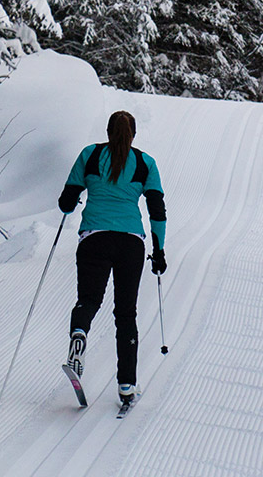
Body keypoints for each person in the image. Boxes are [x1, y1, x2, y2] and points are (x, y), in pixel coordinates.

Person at [58, 110, 167, 409]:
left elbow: (66, 202)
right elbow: (157, 211)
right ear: (134, 135)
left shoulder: (90, 155)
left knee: (88, 300)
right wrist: (158, 251)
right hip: (131, 242)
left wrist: (75, 199)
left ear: (108, 132)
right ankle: (127, 385)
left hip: (93, 237)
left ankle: (79, 334)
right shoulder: (145, 163)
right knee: (126, 314)